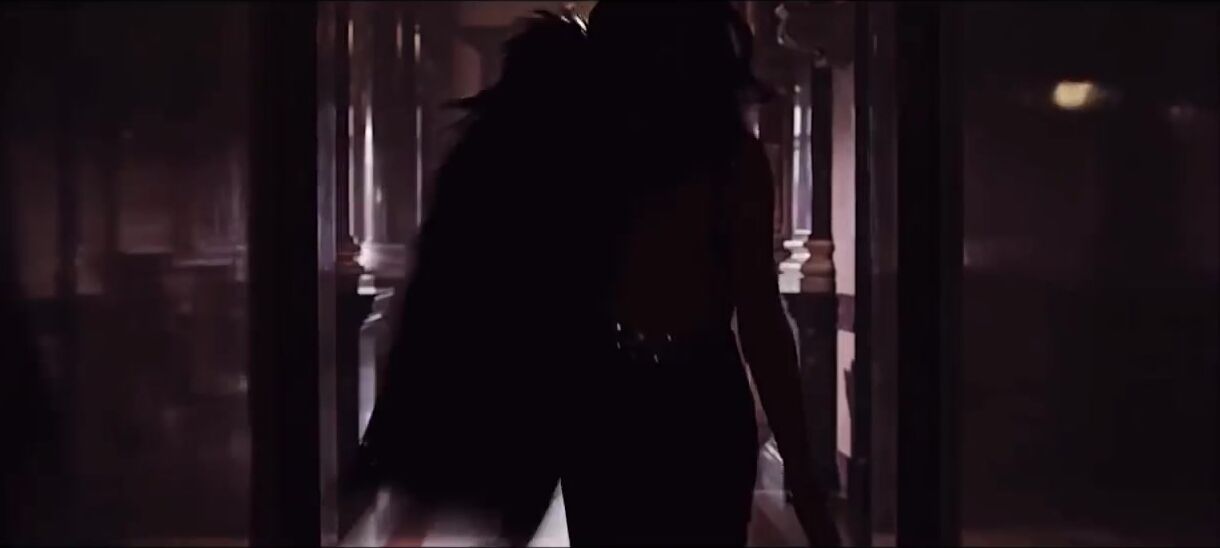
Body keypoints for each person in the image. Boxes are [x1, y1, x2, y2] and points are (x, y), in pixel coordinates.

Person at [555, 2, 841, 545]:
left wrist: (803, 476)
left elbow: (761, 321)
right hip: (638, 398)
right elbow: (760, 322)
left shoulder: (727, 162)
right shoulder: (605, 158)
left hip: (673, 399)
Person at [355, 11, 591, 545]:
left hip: (456, 361)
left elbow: (438, 269)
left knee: (421, 503)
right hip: (524, 372)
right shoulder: (570, 172)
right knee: (505, 507)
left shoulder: (476, 156)